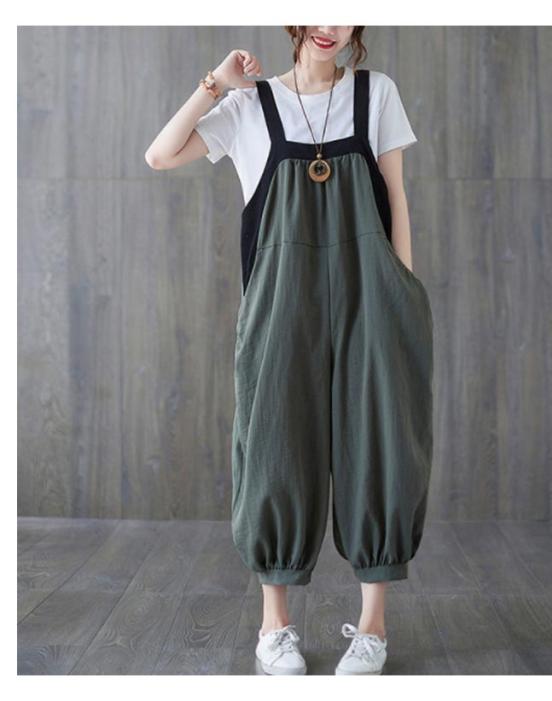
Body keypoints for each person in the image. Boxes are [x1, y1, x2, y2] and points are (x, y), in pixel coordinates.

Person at [145, 26, 434, 676]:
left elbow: (395, 195)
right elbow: (160, 155)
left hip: (374, 296)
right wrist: (216, 83)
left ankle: (373, 628)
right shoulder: (251, 105)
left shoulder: (376, 94)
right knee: (274, 449)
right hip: (279, 305)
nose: (331, 23)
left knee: (380, 445)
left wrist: (404, 293)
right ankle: (274, 627)